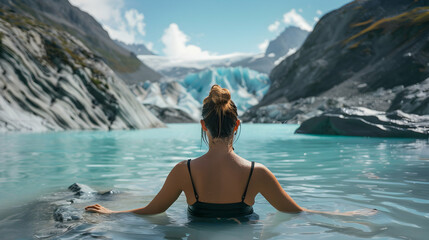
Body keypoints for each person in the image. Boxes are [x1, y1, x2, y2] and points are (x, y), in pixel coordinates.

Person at [85, 85, 377, 218]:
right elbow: (298, 212)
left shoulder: (183, 171)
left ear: (203, 125)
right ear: (237, 124)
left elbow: (153, 210)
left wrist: (112, 211)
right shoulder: (257, 173)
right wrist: (342, 215)